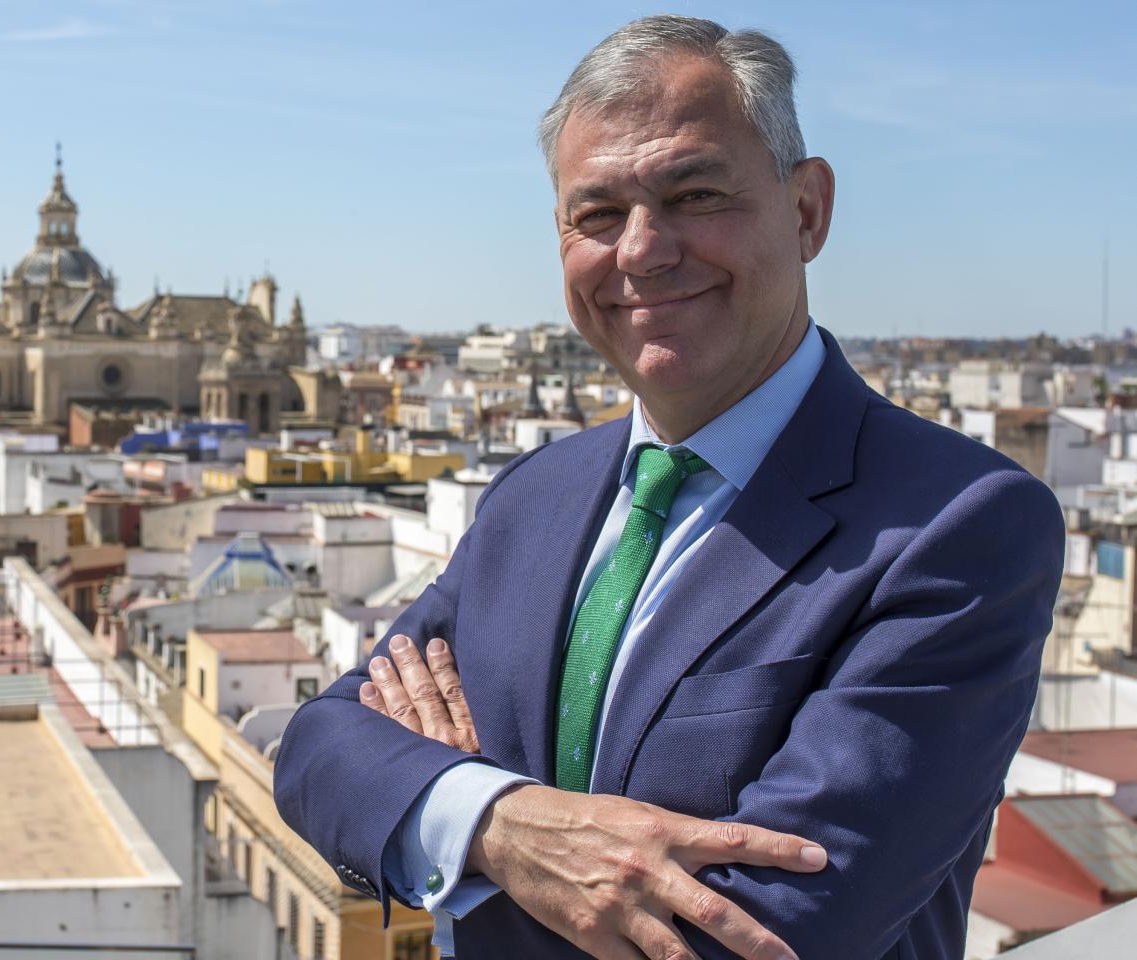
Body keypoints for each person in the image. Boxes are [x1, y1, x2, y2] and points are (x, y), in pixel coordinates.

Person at [273, 14, 1064, 960]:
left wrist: (431, 797)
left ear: (807, 211)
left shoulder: (956, 524)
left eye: (695, 193)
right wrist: (505, 825)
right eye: (598, 214)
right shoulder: (535, 496)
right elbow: (318, 752)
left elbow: (770, 929)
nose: (643, 251)